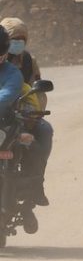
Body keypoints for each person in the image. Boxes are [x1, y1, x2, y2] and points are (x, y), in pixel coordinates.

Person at [0, 17, 53, 206]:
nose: (17, 42)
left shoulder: (27, 62)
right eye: (14, 38)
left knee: (45, 131)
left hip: (23, 114)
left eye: (21, 39)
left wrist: (35, 114)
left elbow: (36, 91)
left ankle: (37, 183)